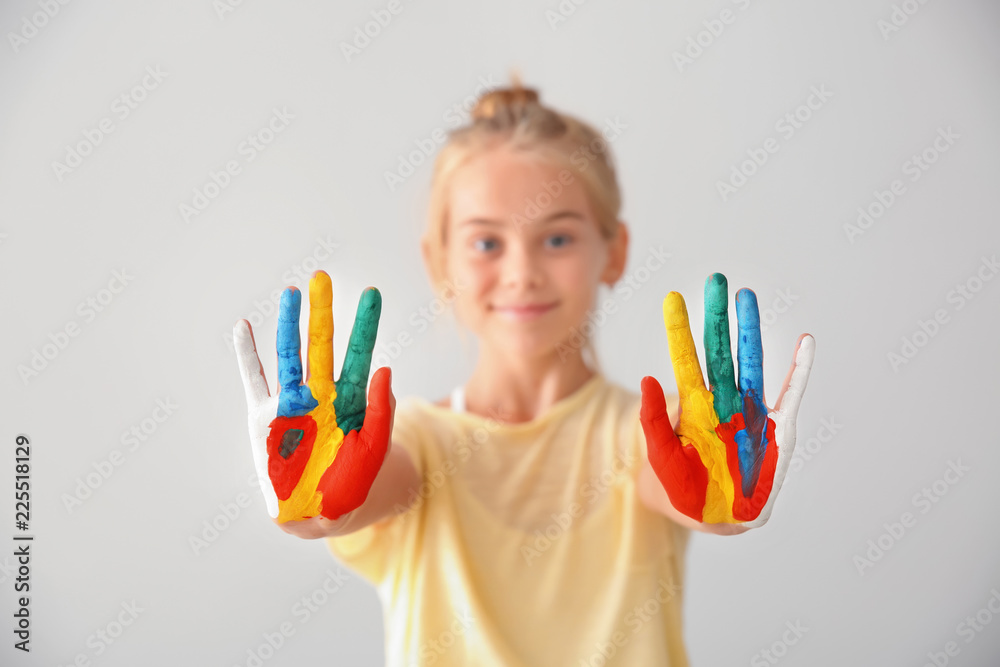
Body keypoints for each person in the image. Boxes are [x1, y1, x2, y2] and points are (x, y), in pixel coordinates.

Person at [233, 74, 814, 666]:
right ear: (438, 262)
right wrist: (317, 502)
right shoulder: (409, 441)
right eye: (486, 243)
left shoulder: (654, 433)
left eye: (557, 237)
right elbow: (362, 492)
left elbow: (678, 486)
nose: (521, 272)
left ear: (613, 250)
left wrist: (724, 499)